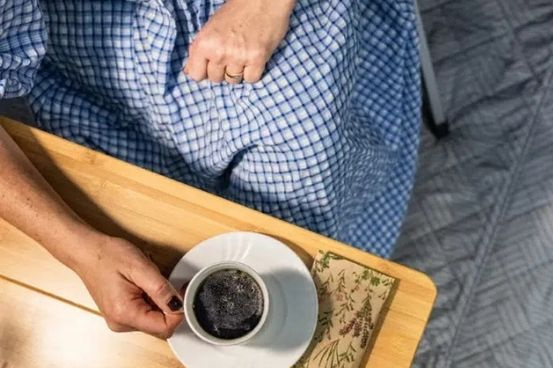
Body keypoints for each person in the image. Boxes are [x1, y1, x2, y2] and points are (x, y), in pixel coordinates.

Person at [0, 0, 420, 338]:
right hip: (85, 58)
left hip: (263, 19)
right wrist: (81, 251)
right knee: (154, 245)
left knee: (298, 244)